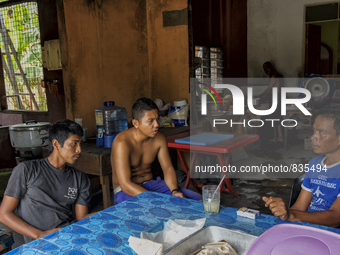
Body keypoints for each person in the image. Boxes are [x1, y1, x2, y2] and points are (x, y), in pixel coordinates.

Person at [0, 119, 95, 243]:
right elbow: (4, 214)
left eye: (80, 144)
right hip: (39, 241)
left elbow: (81, 218)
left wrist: (109, 213)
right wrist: (40, 234)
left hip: (67, 235)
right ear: (56, 144)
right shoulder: (26, 170)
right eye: (74, 143)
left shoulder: (80, 178)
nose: (79, 150)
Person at [111, 97, 202, 204]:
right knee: (156, 211)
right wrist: (155, 199)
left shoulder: (159, 138)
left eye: (157, 119)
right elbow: (125, 184)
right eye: (150, 121)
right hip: (126, 191)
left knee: (198, 200)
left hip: (152, 184)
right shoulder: (122, 142)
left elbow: (168, 169)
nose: (157, 124)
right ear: (135, 123)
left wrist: (174, 191)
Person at [263, 108, 340, 227]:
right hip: (307, 226)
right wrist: (284, 213)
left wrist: (292, 215)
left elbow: (335, 218)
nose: (313, 137)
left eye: (321, 132)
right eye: (314, 131)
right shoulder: (314, 163)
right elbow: (300, 207)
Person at [258, 61, 284, 142]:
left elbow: (269, 89)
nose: (266, 70)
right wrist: (266, 96)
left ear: (271, 67)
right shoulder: (278, 75)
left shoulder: (274, 76)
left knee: (276, 117)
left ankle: (279, 137)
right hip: (277, 97)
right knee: (276, 117)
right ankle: (277, 136)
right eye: (265, 69)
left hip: (275, 97)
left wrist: (259, 96)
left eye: (267, 68)